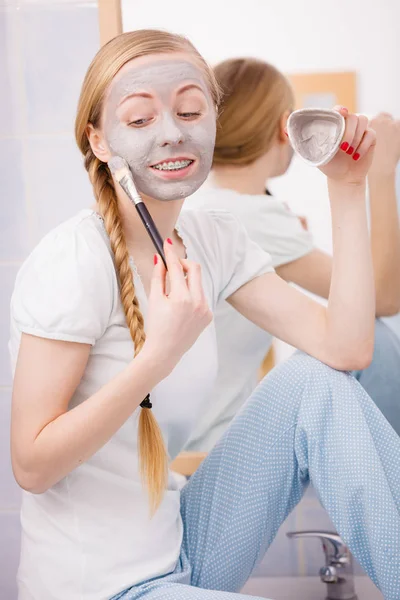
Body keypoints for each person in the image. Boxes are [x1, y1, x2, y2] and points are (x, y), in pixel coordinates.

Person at [9, 30, 400, 600]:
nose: (172, 132)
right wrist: (159, 355)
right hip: (98, 588)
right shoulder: (73, 260)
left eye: (191, 110)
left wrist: (349, 186)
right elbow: (32, 467)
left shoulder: (215, 239)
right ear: (98, 140)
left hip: (186, 549)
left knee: (316, 381)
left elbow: (346, 349)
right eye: (140, 120)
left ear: (215, 121)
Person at [185, 57, 400, 452]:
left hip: (186, 437)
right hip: (213, 443)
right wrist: (382, 172)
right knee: (379, 344)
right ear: (286, 130)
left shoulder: (208, 207)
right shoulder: (251, 216)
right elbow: (386, 298)